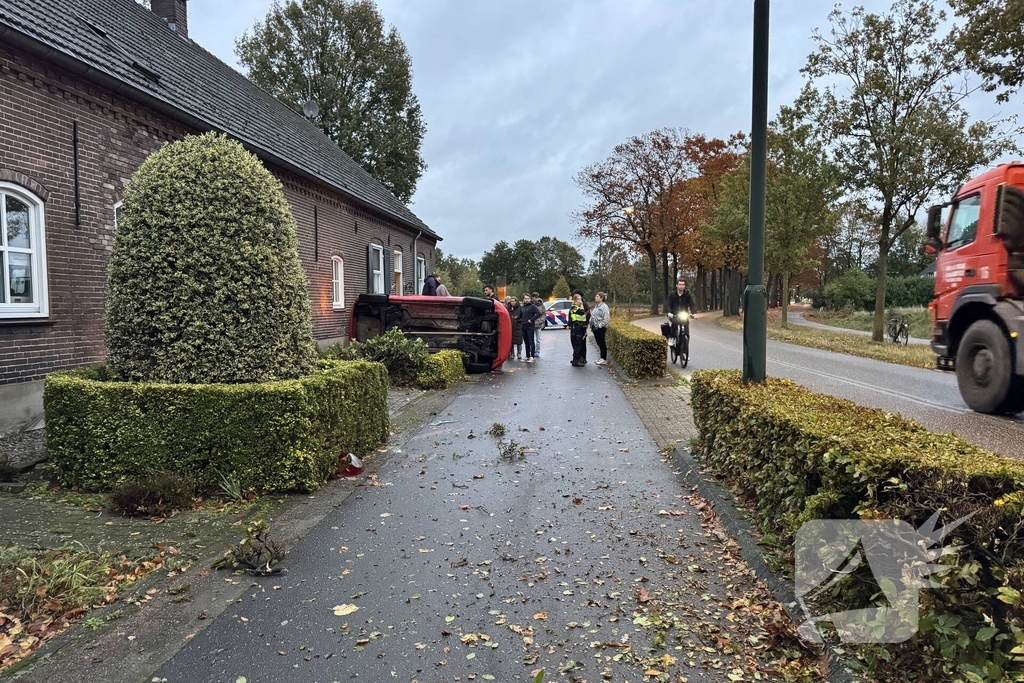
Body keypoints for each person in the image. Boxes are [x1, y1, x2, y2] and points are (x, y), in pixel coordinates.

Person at [665, 279, 697, 343]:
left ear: (685, 286)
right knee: (675, 324)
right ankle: (672, 339)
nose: (681, 286)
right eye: (680, 284)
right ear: (677, 285)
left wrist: (694, 313)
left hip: (684, 315)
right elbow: (668, 304)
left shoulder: (687, 295)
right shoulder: (672, 295)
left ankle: (685, 347)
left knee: (686, 331)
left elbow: (692, 305)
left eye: (683, 285)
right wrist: (669, 312)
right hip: (674, 315)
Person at [568, 290, 590, 366]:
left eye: (580, 298)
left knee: (581, 344)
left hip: (581, 327)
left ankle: (582, 358)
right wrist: (569, 324)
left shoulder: (584, 304)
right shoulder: (576, 306)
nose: (580, 300)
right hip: (577, 327)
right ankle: (576, 359)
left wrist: (586, 323)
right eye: (578, 298)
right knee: (577, 344)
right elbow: (579, 312)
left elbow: (587, 314)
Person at [520, 293, 542, 363]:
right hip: (524, 326)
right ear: (523, 299)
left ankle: (532, 356)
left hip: (530, 326)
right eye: (525, 298)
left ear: (530, 299)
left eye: (528, 298)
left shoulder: (532, 306)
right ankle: (527, 355)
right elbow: (521, 316)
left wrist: (531, 319)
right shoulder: (522, 307)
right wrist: (518, 319)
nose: (526, 300)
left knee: (531, 341)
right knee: (526, 342)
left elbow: (539, 313)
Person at [590, 292, 610, 365]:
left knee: (601, 343)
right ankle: (601, 357)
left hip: (600, 328)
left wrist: (600, 326)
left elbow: (606, 318)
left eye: (597, 296)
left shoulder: (604, 307)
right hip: (595, 328)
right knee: (599, 343)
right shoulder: (596, 306)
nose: (595, 297)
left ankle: (604, 359)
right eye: (596, 296)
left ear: (601, 298)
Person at [531, 292, 545, 357]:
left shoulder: (542, 305)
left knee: (538, 340)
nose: (534, 299)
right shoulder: (531, 304)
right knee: (531, 339)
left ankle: (537, 352)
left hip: (538, 324)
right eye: (533, 297)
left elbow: (544, 314)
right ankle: (532, 351)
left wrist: (541, 321)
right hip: (531, 324)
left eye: (536, 297)